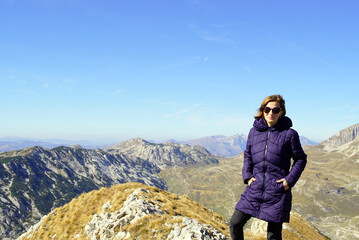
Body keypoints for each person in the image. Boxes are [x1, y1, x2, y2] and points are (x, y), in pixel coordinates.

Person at [229, 94, 307, 240]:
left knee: (273, 236)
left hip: (277, 191)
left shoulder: (290, 134)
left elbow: (301, 159)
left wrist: (288, 181)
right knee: (235, 223)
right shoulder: (253, 132)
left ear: (281, 112)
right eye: (267, 109)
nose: (271, 113)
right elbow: (248, 155)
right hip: (255, 188)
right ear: (262, 110)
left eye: (275, 110)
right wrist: (247, 176)